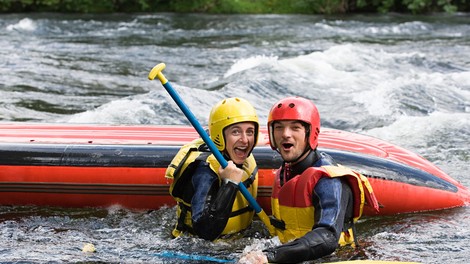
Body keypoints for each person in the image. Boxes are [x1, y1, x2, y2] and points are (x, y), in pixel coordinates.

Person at [239, 96, 379, 263]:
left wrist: (271, 255)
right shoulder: (285, 172)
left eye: (295, 128)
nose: (285, 134)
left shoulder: (329, 180)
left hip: (337, 258)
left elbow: (327, 237)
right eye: (279, 128)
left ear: (310, 133)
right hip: (292, 253)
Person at [166, 97, 260, 241]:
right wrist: (230, 184)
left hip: (237, 241)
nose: (245, 140)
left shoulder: (239, 152)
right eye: (236, 132)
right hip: (198, 252)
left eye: (250, 132)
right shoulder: (205, 171)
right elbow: (206, 231)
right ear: (219, 135)